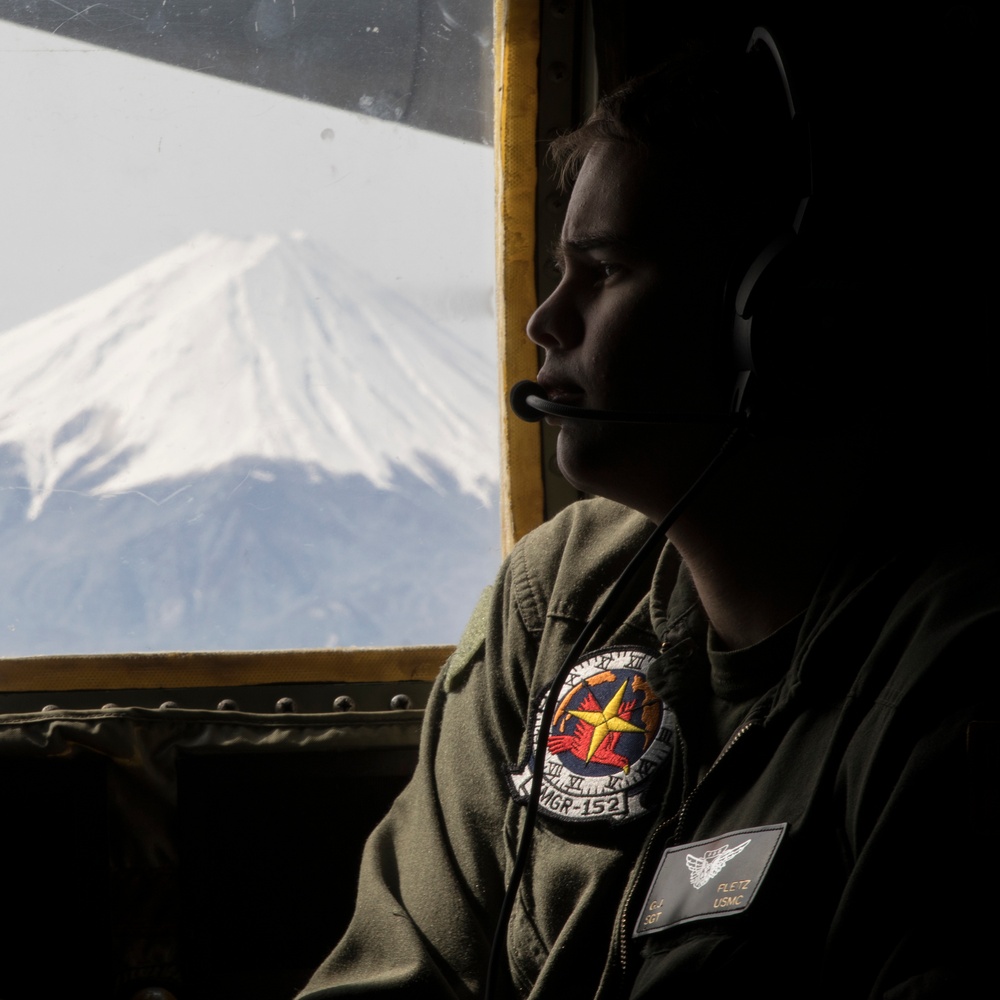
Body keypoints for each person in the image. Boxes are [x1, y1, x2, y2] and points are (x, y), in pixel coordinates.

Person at [298, 27, 996, 1000]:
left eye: (603, 269)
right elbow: (402, 965)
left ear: (780, 325)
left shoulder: (952, 662)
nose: (547, 320)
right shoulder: (557, 597)